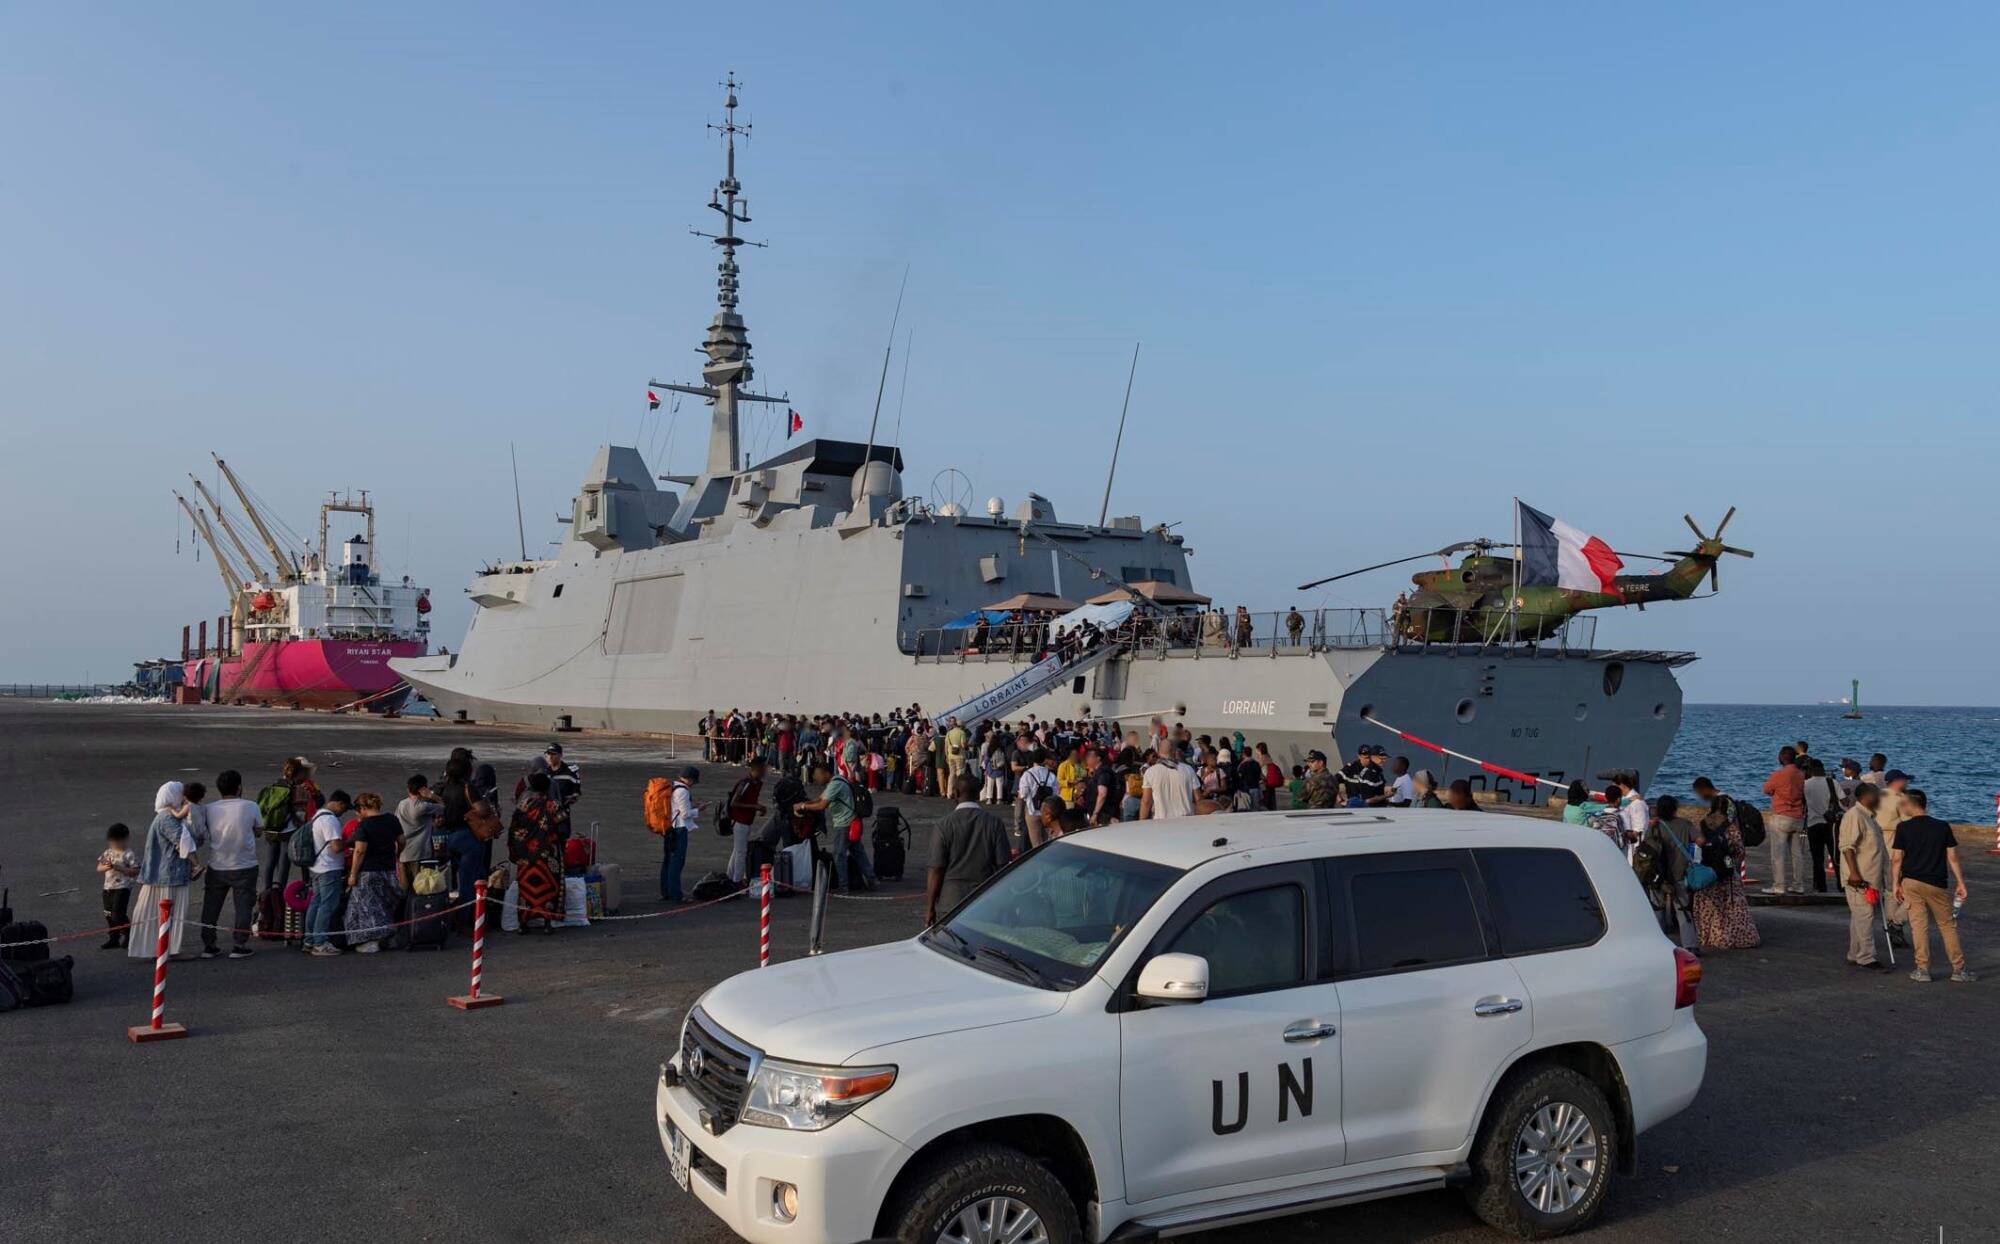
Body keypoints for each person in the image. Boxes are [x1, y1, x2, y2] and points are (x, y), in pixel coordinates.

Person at [1892, 790, 1973, 983]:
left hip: (1911, 881)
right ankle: (1958, 969)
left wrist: (1896, 883)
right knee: (1947, 925)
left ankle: (1922, 969)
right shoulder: (1942, 827)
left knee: (1919, 926)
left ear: (1911, 805)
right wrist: (1961, 882)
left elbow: (1896, 859)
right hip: (1936, 882)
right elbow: (1952, 857)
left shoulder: (1903, 827)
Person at [129, 782, 201, 960]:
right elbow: (182, 841)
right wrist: (196, 864)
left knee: (156, 912)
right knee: (172, 913)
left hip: (162, 873)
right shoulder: (167, 818)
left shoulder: (164, 816)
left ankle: (159, 949)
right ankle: (169, 950)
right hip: (170, 874)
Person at [198, 770, 261, 960]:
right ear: (239, 787)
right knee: (243, 905)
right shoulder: (250, 806)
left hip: (217, 864)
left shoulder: (209, 808)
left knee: (211, 906)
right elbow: (258, 831)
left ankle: (209, 945)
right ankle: (239, 944)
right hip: (245, 864)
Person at [1691, 792, 1759, 950]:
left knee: (1709, 907)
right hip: (1726, 871)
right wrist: (1732, 864)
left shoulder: (1702, 824)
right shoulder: (1730, 826)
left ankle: (1707, 936)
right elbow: (1739, 851)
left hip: (1708, 870)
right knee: (1731, 907)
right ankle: (1730, 937)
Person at [794, 760, 871, 890]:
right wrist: (805, 803)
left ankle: (843, 886)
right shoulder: (837, 781)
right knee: (858, 853)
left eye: (818, 774)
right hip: (851, 822)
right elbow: (819, 799)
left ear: (826, 773)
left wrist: (802, 806)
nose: (815, 778)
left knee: (838, 855)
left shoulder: (835, 785)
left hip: (845, 824)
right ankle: (872, 880)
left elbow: (822, 805)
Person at [342, 792, 404, 954]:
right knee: (386, 903)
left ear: (363, 808)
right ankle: (389, 937)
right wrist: (396, 855)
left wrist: (353, 874)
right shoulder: (391, 819)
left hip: (368, 871)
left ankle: (370, 941)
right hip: (388, 869)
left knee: (366, 907)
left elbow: (360, 851)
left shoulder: (364, 825)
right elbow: (402, 840)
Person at [1838, 782, 1890, 971]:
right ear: (1867, 796)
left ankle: (1855, 953)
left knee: (1860, 917)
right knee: (1865, 916)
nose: (1880, 799)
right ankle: (1866, 956)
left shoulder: (1870, 818)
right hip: (1860, 878)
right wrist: (1853, 872)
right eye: (1877, 795)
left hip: (1870, 876)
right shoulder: (1855, 816)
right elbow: (1847, 847)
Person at [509, 772, 565, 930]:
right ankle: (547, 921)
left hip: (526, 856)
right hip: (548, 856)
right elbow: (563, 830)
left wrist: (515, 852)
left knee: (526, 890)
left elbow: (513, 830)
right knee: (548, 887)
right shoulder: (553, 805)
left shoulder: (523, 806)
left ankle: (524, 922)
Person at [301, 790, 351, 956]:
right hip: (329, 868)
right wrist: (351, 840)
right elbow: (336, 847)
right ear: (339, 803)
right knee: (327, 905)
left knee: (316, 903)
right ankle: (320, 943)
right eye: (344, 808)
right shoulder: (330, 820)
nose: (343, 812)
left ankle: (309, 940)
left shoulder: (317, 816)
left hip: (316, 867)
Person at [1760, 746, 1808, 895]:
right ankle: (1798, 884)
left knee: (1778, 854)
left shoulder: (1778, 774)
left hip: (1781, 815)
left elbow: (1766, 789)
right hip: (1797, 816)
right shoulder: (1801, 775)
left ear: (1781, 758)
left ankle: (1779, 885)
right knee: (1797, 854)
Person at [395, 774, 442, 894]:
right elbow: (444, 807)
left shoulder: (401, 804)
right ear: (423, 790)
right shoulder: (423, 807)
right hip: (420, 854)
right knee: (422, 889)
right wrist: (432, 796)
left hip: (403, 853)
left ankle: (404, 912)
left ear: (408, 789)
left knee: (404, 891)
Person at [658, 766, 700, 903]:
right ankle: (676, 894)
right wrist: (698, 810)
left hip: (669, 828)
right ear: (690, 780)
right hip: (679, 829)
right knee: (677, 862)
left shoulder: (673, 787)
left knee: (668, 861)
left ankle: (666, 891)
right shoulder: (683, 791)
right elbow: (685, 814)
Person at [724, 757, 768, 885]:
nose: (766, 771)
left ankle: (730, 877)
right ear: (758, 769)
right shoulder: (747, 783)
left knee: (737, 851)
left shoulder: (756, 783)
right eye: (764, 768)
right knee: (741, 853)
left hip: (746, 821)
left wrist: (756, 806)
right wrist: (755, 807)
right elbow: (734, 802)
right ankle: (737, 881)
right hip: (740, 821)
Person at [1802, 759, 1842, 894]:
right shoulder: (1832, 782)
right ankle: (1841, 884)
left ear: (1810, 770)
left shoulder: (1805, 784)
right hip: (1831, 824)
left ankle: (1820, 886)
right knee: (1836, 856)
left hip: (1813, 823)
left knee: (1817, 858)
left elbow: (1802, 803)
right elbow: (1843, 800)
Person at [96, 823, 138, 949]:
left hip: (122, 888)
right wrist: (106, 867)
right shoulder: (108, 853)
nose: (114, 845)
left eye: (117, 842)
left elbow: (135, 871)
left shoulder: (129, 854)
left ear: (125, 839)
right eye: (112, 842)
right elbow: (99, 868)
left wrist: (120, 868)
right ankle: (114, 938)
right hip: (108, 887)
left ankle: (128, 935)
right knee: (108, 914)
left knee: (118, 914)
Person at [1140, 746, 1198, 820]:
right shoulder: (1188, 769)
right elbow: (1198, 798)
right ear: (1174, 752)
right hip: (1186, 820)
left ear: (1159, 754)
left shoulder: (1150, 772)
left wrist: (1142, 822)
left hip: (1161, 821)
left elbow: (1146, 801)